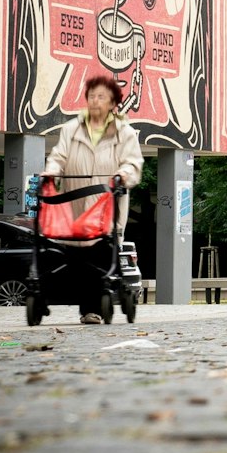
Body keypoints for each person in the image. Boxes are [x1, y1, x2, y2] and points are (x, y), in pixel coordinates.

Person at [42, 72, 144, 323]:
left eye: (102, 96)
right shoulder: (71, 129)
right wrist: (51, 171)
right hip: (75, 207)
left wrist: (123, 175)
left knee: (98, 254)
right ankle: (57, 298)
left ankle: (92, 309)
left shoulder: (125, 133)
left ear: (112, 102)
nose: (95, 101)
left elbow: (133, 163)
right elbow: (59, 157)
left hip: (106, 206)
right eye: (91, 96)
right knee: (72, 257)